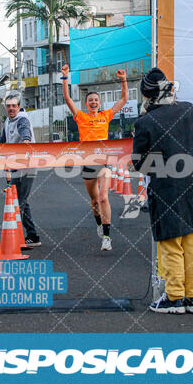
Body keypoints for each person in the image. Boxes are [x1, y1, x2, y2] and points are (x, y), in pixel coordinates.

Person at [132, 67, 193, 314]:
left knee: (171, 245)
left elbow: (140, 163)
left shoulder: (145, 122)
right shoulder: (191, 111)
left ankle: (174, 298)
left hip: (167, 190)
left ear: (147, 95)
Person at [61, 63, 128, 251]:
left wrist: (123, 80)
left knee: (104, 198)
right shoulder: (80, 117)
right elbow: (67, 98)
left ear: (99, 103)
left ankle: (107, 237)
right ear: (86, 103)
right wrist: (65, 77)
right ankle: (99, 222)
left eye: (96, 100)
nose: (93, 102)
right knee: (94, 200)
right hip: (88, 163)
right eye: (90, 100)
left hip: (104, 162)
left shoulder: (106, 116)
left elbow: (123, 99)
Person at [0, 91, 40, 247]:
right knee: (20, 201)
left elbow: (25, 132)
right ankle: (32, 235)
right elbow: (3, 141)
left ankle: (15, 238)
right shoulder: (7, 121)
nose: (11, 108)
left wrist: (26, 140)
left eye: (14, 106)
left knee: (18, 202)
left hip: (28, 166)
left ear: (19, 106)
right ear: (5, 107)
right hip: (16, 166)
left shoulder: (22, 119)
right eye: (8, 106)